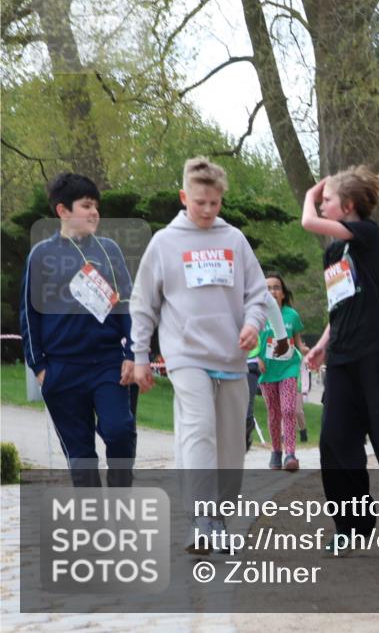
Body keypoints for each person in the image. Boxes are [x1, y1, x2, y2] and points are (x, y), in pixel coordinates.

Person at [130, 157, 269, 553]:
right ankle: (201, 519)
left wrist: (252, 325)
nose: (208, 211)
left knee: (229, 445)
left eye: (215, 203)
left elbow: (257, 296)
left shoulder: (235, 240)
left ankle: (220, 517)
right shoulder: (164, 242)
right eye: (199, 202)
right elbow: (143, 304)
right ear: (183, 196)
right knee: (199, 431)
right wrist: (141, 356)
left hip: (231, 357)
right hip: (186, 355)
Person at [300, 166, 379, 551]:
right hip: (343, 358)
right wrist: (321, 344)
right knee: (335, 442)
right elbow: (341, 303)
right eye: (323, 200)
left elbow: (307, 221)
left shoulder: (366, 232)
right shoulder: (334, 251)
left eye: (328, 199)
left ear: (347, 205)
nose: (322, 203)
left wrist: (310, 194)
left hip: (375, 354)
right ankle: (352, 525)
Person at [20, 172, 136, 488]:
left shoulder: (109, 250)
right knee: (81, 455)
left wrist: (132, 353)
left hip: (107, 364)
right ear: (63, 211)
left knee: (119, 430)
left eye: (96, 205)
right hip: (62, 370)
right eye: (86, 205)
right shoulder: (41, 255)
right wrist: (40, 367)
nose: (94, 212)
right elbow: (29, 316)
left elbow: (127, 304)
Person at [258, 272, 307, 472]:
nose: (272, 291)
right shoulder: (258, 314)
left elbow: (298, 343)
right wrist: (257, 357)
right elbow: (253, 342)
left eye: (276, 287)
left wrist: (305, 350)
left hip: (288, 367)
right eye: (268, 288)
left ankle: (290, 454)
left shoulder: (291, 315)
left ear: (283, 293)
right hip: (267, 370)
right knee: (274, 413)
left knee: (288, 409)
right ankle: (276, 451)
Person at [245, 292, 288, 452]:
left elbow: (266, 299)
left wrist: (259, 356)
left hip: (250, 362)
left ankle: (245, 430)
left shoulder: (254, 304)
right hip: (222, 361)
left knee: (246, 412)